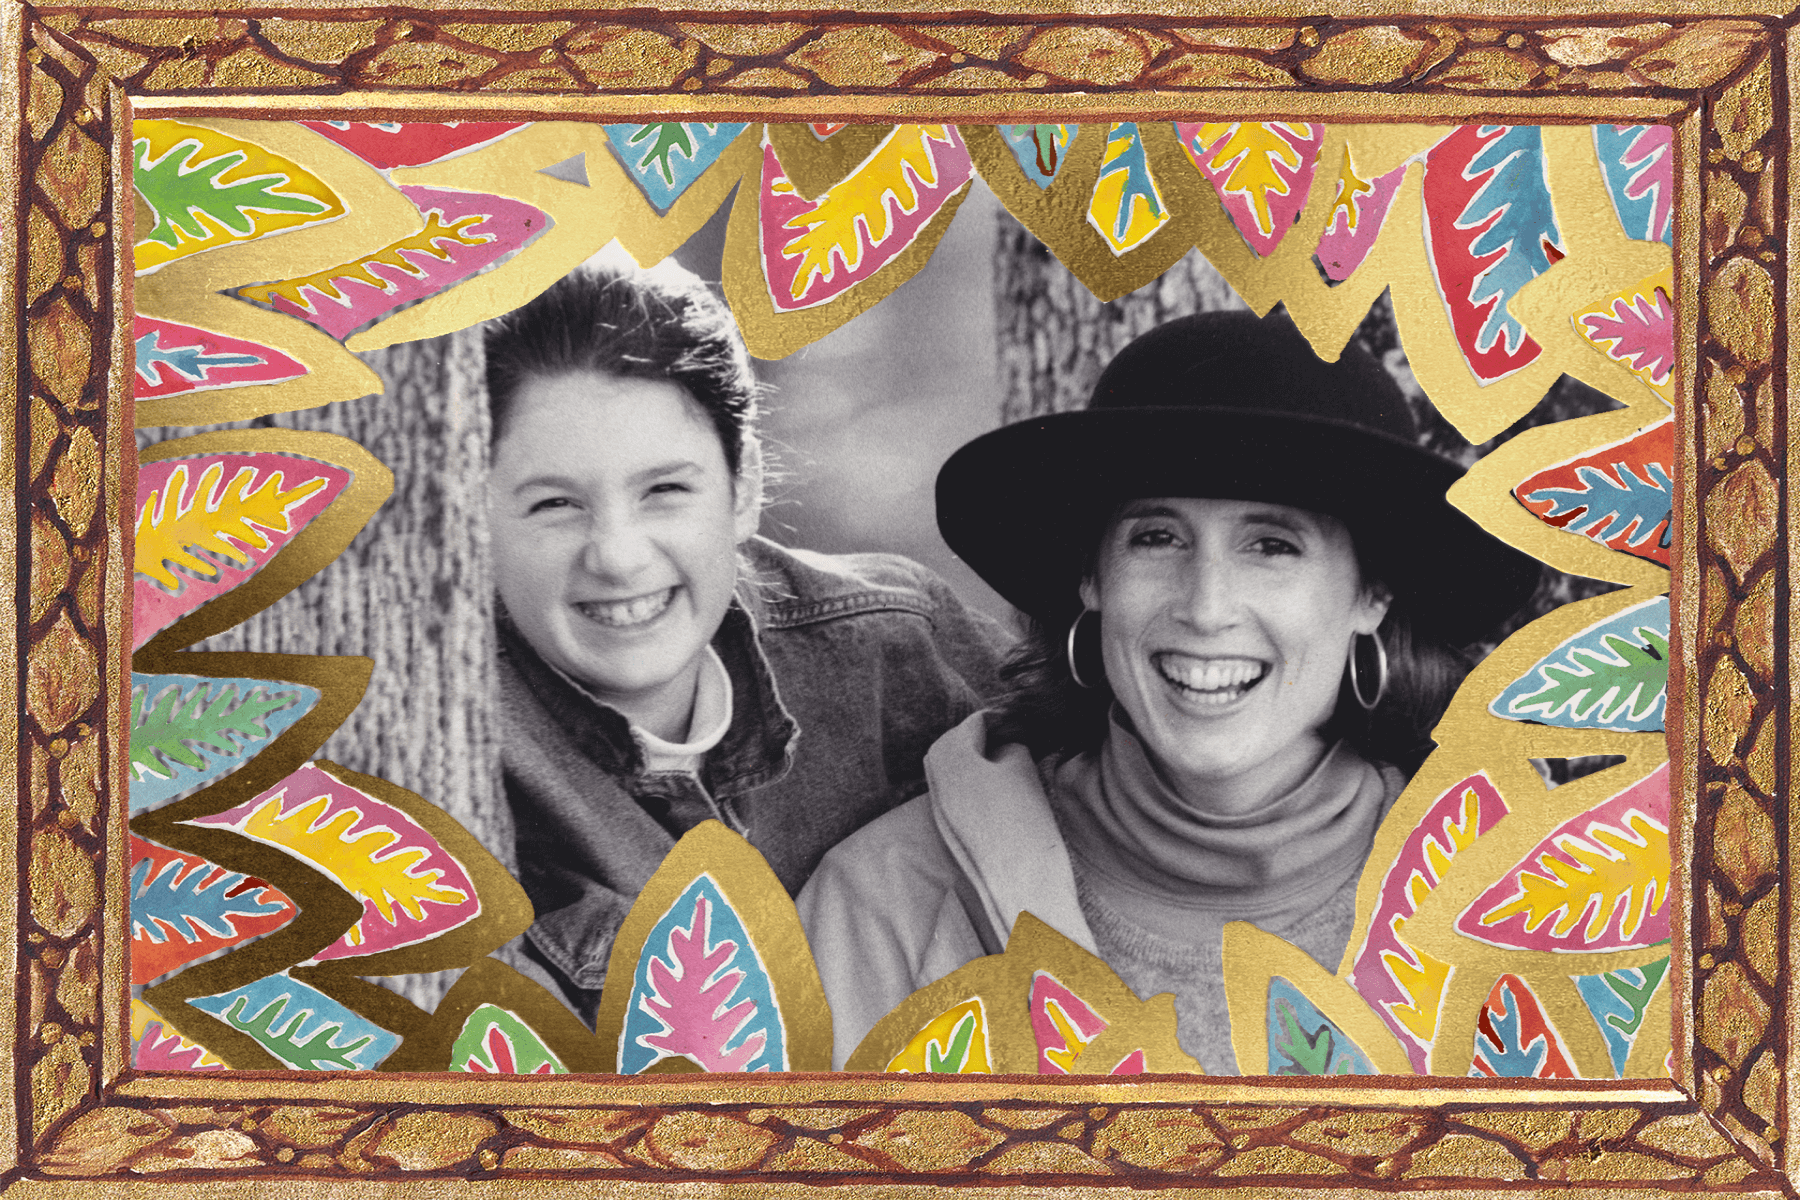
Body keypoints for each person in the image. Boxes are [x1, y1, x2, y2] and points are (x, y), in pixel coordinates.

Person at [797, 310, 1541, 1072]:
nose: (1206, 607)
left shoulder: (1523, 899)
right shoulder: (890, 905)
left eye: (1272, 546)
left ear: (1372, 595)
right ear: (1092, 577)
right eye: (1157, 538)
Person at [487, 252, 1010, 1023]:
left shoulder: (899, 651)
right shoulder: (457, 736)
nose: (619, 555)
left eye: (665, 490)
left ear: (745, 488)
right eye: (555, 504)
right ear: (475, 518)